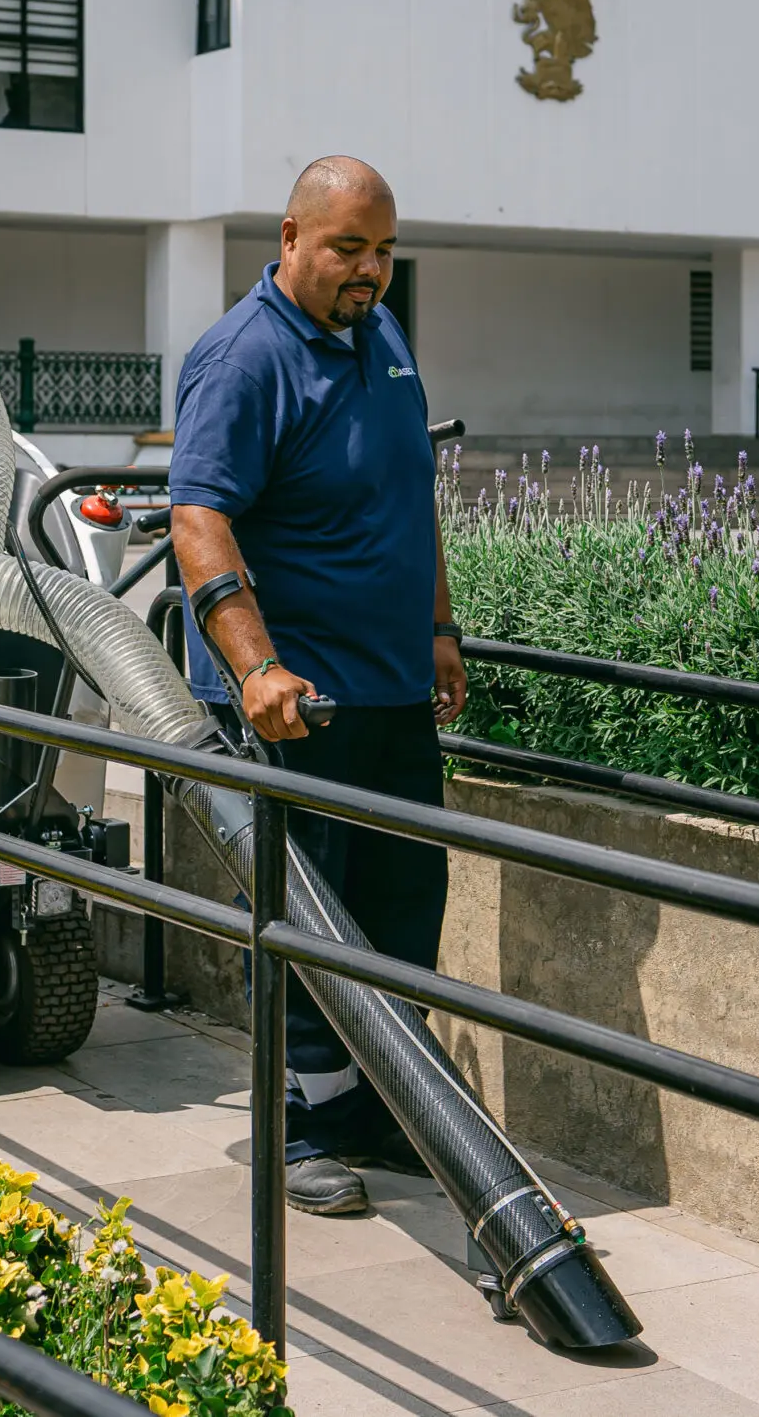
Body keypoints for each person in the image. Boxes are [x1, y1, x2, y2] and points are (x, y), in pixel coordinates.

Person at [167, 154, 468, 1216]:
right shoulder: (242, 357)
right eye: (347, 247)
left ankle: (381, 1106)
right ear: (290, 238)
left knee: (400, 906)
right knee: (304, 925)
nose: (369, 269)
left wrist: (438, 625)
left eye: (384, 250)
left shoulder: (380, 335)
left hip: (390, 690)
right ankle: (294, 1130)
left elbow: (411, 492)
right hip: (294, 704)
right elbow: (199, 520)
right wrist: (253, 666)